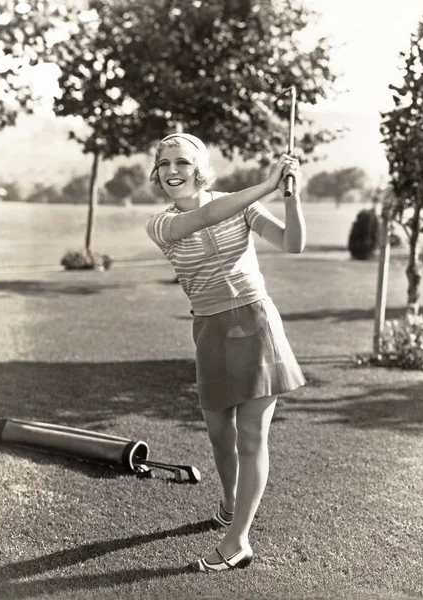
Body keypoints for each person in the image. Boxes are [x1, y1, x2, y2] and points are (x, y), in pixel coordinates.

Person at [145, 133, 306, 573]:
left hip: (256, 322)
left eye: (182, 162)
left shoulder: (244, 206)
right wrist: (267, 184)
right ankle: (232, 504)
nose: (173, 170)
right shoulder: (160, 224)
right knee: (220, 433)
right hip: (210, 329)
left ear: (200, 169)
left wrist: (290, 195)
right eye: (164, 164)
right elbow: (204, 217)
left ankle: (237, 541)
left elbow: (293, 244)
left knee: (251, 436)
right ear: (157, 174)